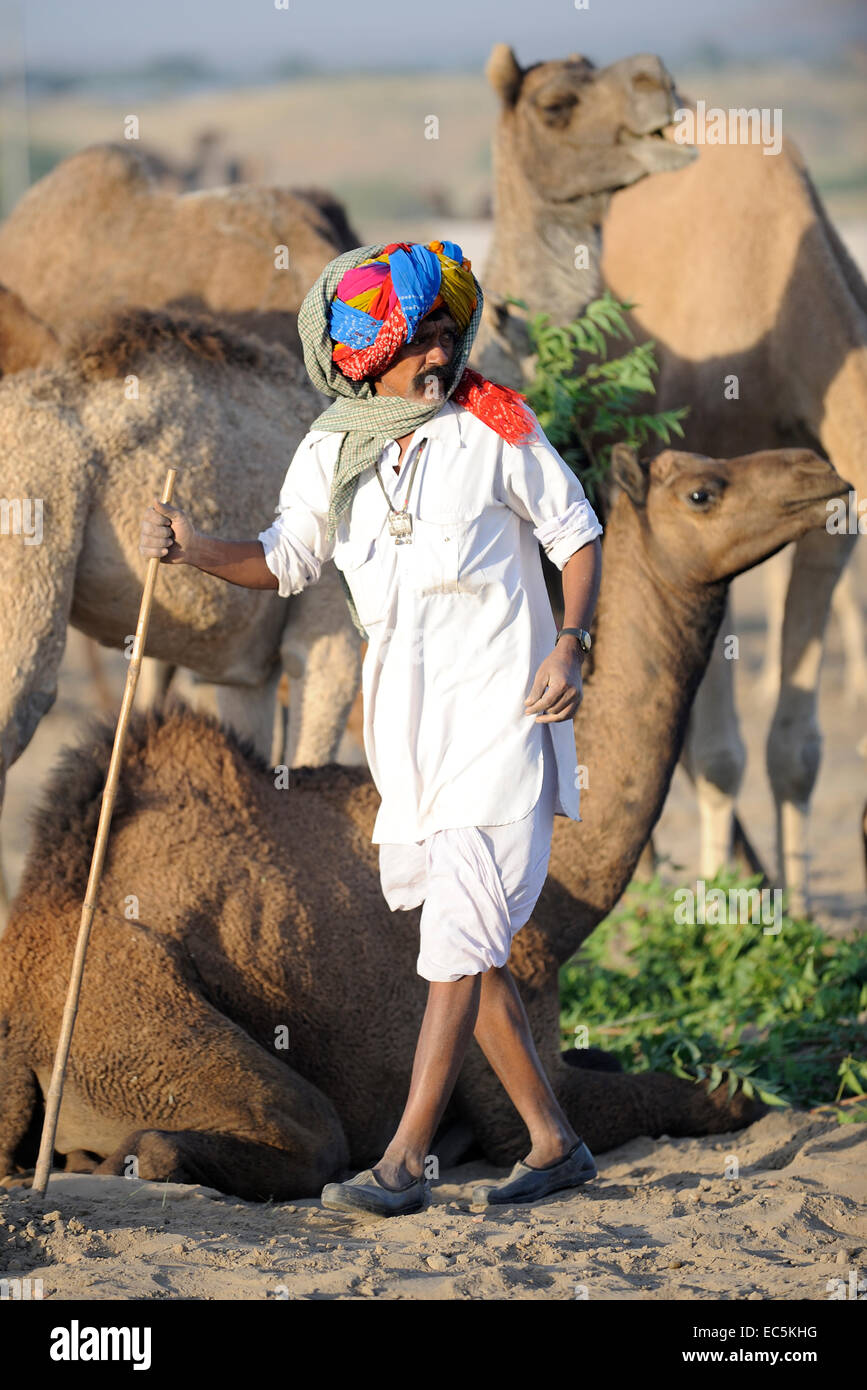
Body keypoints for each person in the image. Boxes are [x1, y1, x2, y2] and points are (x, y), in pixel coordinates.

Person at [139, 239, 603, 1217]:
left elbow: (576, 531)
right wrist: (189, 551)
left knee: (454, 949)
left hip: (505, 725)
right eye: (418, 340)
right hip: (412, 748)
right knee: (467, 949)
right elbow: (285, 557)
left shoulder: (498, 421)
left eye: (445, 334)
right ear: (368, 355)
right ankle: (556, 1143)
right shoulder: (331, 453)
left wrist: (571, 643)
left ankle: (399, 1163)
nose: (438, 356)